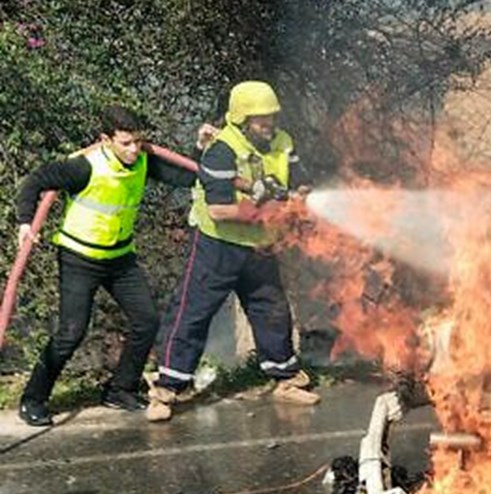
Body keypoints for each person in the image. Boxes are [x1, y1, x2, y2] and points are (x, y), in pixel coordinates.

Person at [12, 105, 205, 427]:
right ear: (106, 140)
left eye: (139, 142)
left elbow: (186, 177)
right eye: (126, 143)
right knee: (71, 332)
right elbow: (36, 180)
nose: (134, 150)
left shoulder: (144, 159)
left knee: (147, 321)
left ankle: (120, 389)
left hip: (120, 258)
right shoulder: (84, 167)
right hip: (79, 258)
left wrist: (198, 147)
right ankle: (33, 399)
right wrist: (24, 222)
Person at [147, 80, 319, 422]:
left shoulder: (283, 142)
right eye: (260, 120)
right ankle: (166, 389)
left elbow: (300, 179)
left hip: (260, 244)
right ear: (242, 119)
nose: (268, 125)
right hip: (218, 246)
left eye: (271, 117)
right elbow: (219, 210)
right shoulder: (222, 150)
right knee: (193, 312)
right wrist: (264, 212)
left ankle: (285, 378)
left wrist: (298, 196)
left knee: (271, 310)